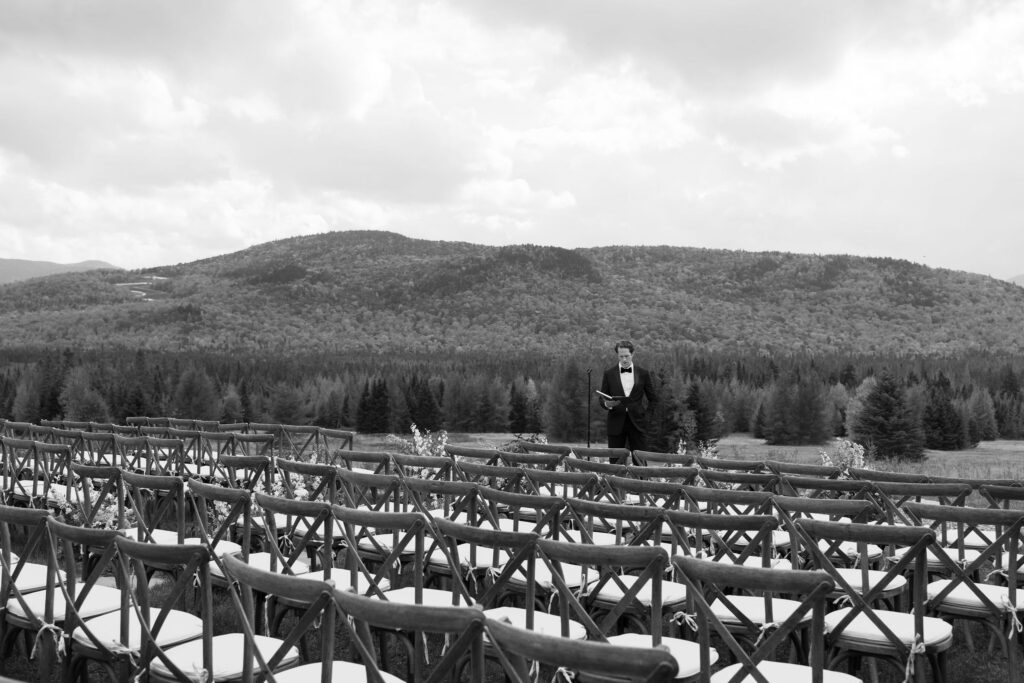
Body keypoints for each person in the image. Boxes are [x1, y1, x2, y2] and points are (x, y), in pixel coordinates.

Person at [599, 340, 657, 455]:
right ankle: (616, 474)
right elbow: (602, 397)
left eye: (627, 356)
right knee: (615, 462)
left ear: (633, 354)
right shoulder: (609, 374)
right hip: (615, 423)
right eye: (621, 356)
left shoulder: (643, 373)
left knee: (640, 461)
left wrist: (647, 417)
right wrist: (607, 404)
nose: (624, 359)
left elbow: (653, 399)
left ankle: (640, 474)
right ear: (617, 355)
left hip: (638, 423)